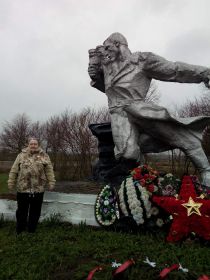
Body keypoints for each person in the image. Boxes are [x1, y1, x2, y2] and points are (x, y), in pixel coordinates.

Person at [88, 32, 210, 186]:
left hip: (139, 110)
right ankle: (135, 188)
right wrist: (96, 78)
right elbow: (110, 91)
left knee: (179, 136)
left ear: (118, 45)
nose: (104, 52)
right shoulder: (108, 68)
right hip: (119, 116)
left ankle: (206, 170)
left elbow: (174, 70)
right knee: (128, 155)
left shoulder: (141, 61)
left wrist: (205, 73)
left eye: (107, 47)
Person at [8, 137, 56, 234]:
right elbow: (14, 170)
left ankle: (31, 230)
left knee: (35, 211)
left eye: (35, 144)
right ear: (28, 145)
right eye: (31, 144)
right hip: (23, 188)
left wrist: (51, 182)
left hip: (38, 189)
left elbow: (49, 171)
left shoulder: (44, 156)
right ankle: (20, 229)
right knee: (22, 211)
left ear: (38, 145)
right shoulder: (21, 156)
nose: (33, 145)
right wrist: (11, 182)